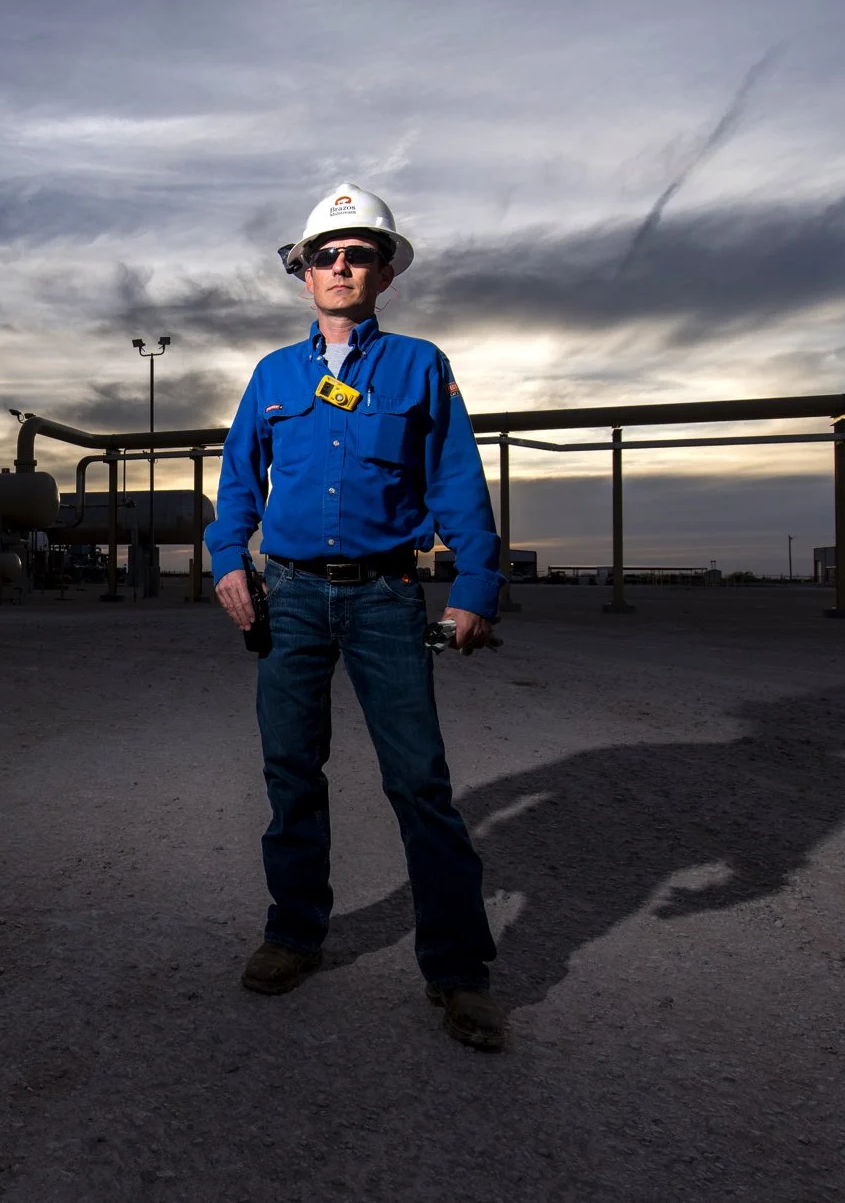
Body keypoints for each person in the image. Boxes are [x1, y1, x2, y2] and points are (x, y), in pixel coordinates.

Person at [204, 182, 507, 1051]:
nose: (341, 266)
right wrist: (230, 560)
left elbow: (456, 481)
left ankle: (458, 972)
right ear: (302, 272)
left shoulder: (419, 365)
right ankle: (294, 934)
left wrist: (474, 590)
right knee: (291, 772)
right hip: (288, 597)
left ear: (384, 272)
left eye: (359, 253)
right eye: (325, 255)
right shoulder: (273, 376)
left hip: (383, 597)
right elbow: (235, 483)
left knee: (420, 783)